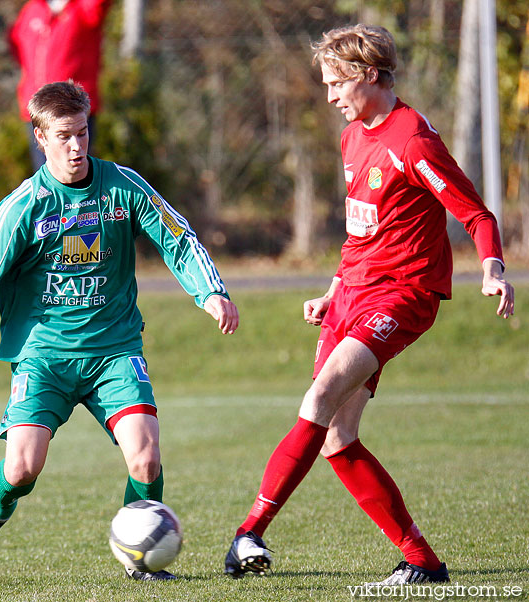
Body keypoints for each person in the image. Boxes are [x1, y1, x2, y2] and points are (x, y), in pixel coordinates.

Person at [0, 81, 239, 582]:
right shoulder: (22, 208)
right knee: (22, 469)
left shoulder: (122, 187)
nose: (77, 146)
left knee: (145, 456)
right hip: (44, 358)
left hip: (114, 351)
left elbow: (178, 237)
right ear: (40, 137)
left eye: (82, 132)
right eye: (63, 136)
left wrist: (209, 291)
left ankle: (139, 562)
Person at [223, 24, 514, 585]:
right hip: (354, 292)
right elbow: (362, 232)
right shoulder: (352, 136)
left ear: (371, 75)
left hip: (404, 294)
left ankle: (250, 530)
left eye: (337, 83)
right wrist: (333, 289)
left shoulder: (413, 141)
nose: (330, 95)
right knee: (336, 436)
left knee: (322, 391)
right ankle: (422, 562)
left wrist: (492, 269)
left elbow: (477, 214)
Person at [8, 0, 112, 171]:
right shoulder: (33, 9)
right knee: (45, 177)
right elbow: (17, 43)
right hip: (38, 110)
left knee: (75, 173)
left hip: (74, 110)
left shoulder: (82, 8)